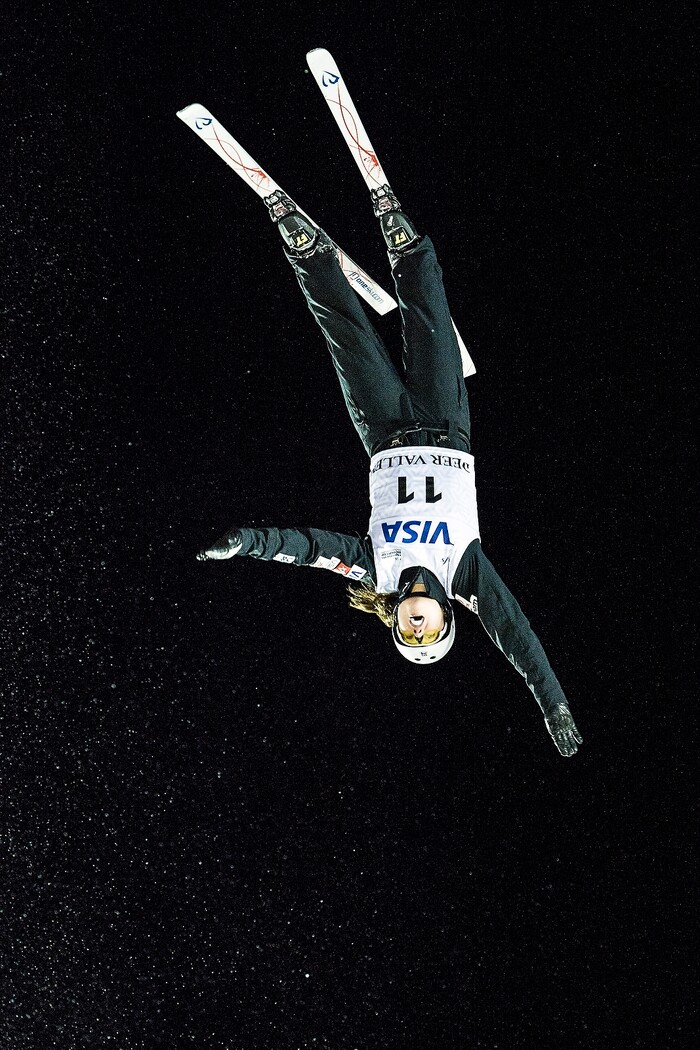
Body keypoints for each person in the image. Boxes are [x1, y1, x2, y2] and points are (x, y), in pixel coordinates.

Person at [197, 184, 582, 758]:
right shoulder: (466, 576)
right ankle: (402, 237)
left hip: (382, 429)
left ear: (398, 622)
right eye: (431, 632)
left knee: (346, 336)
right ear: (447, 618)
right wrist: (552, 704)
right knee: (430, 317)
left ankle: (303, 248)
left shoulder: (374, 571)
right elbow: (517, 638)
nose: (418, 626)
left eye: (409, 634)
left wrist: (246, 542)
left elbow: (304, 549)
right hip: (447, 423)